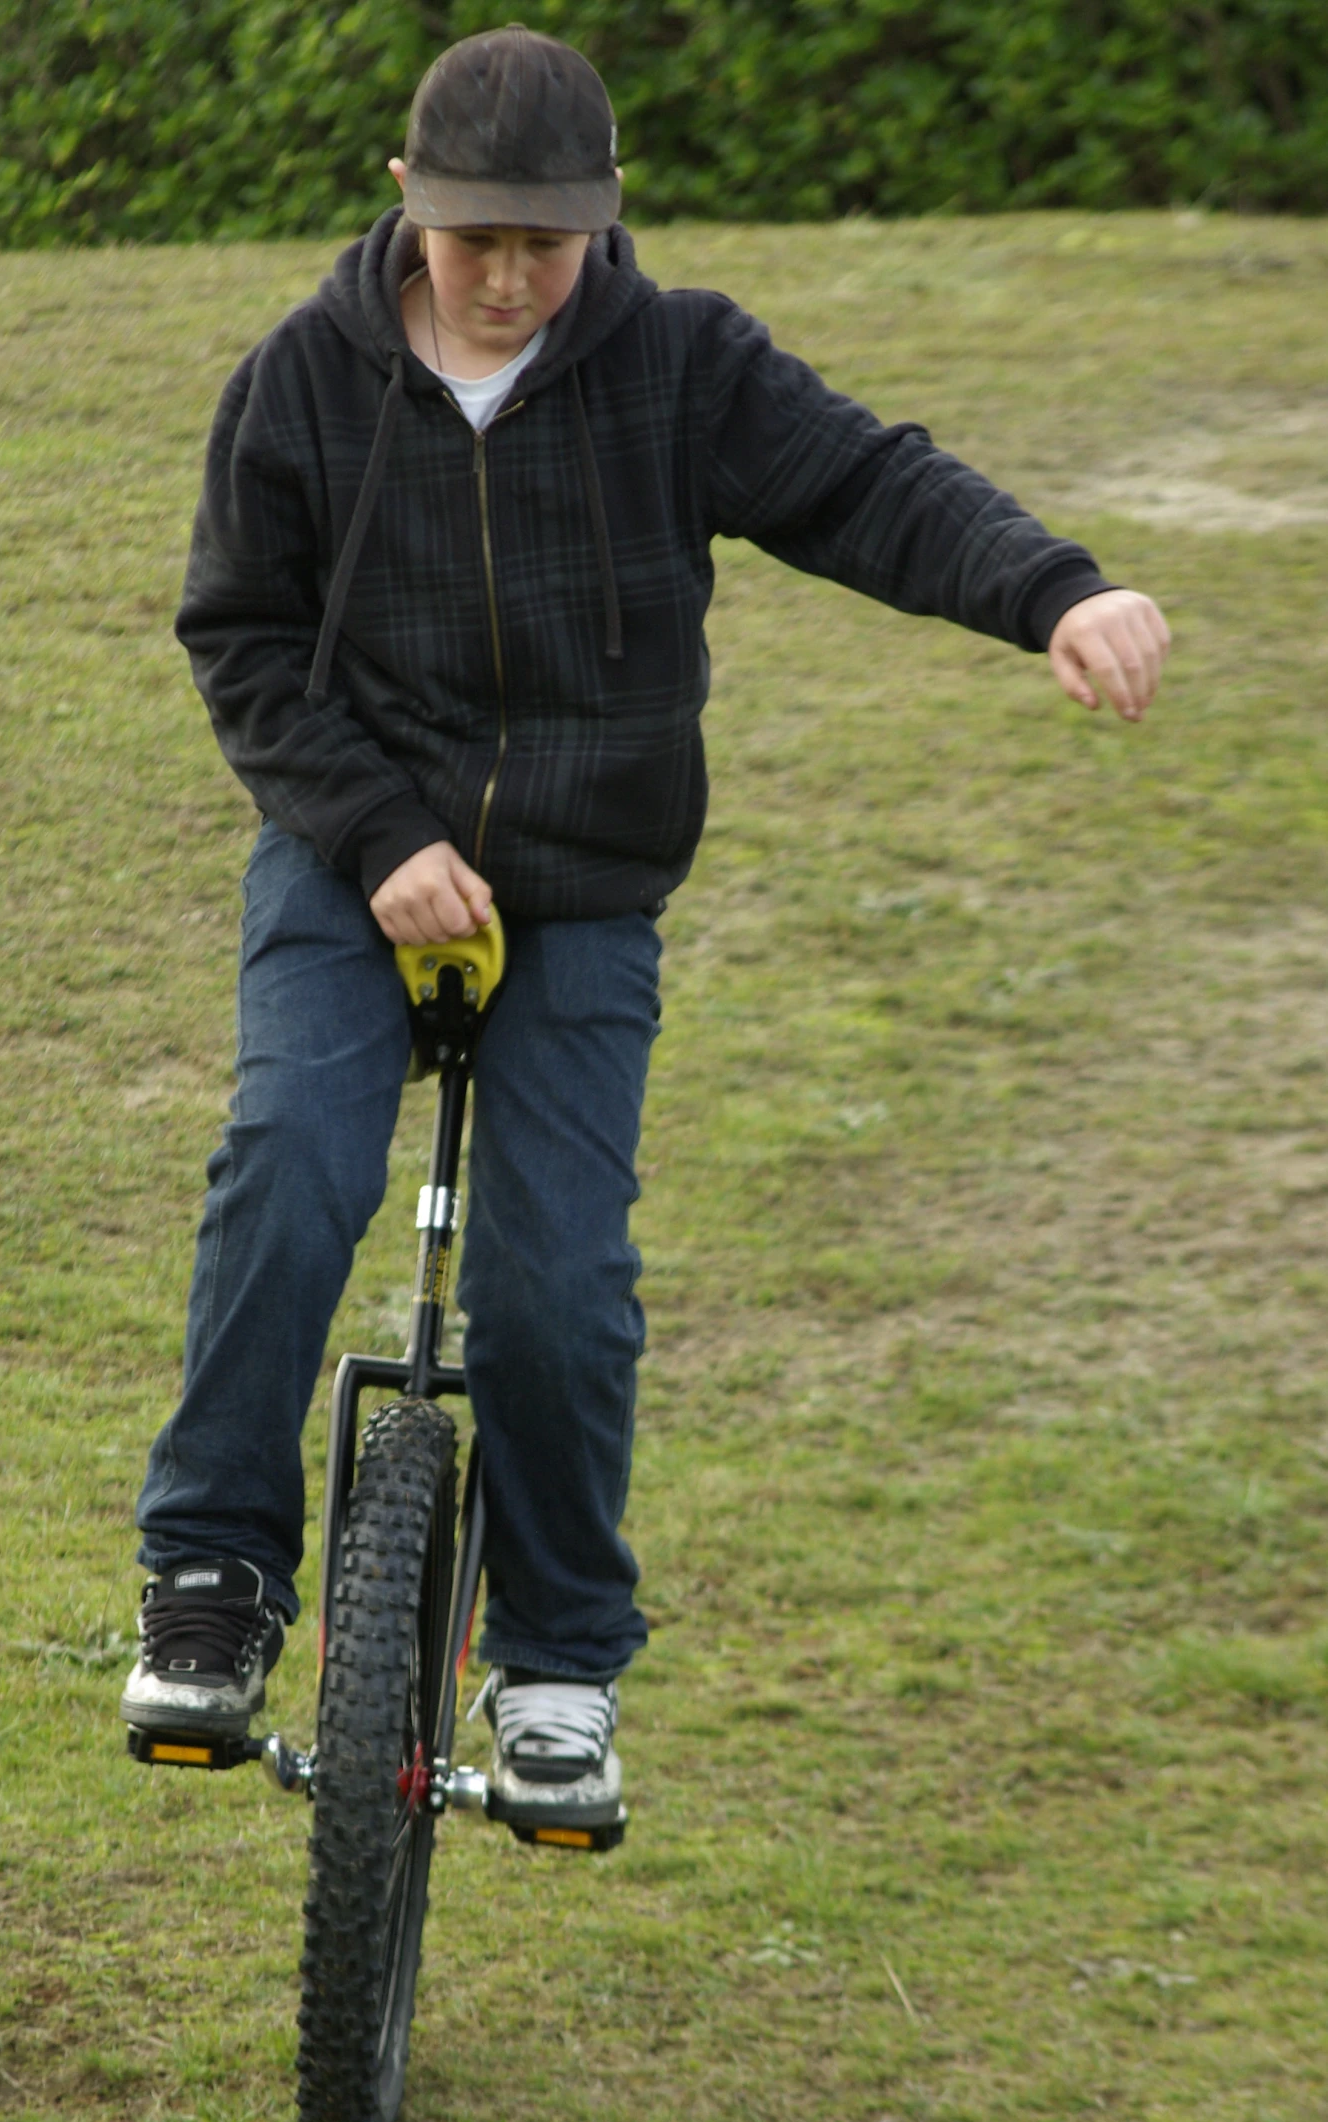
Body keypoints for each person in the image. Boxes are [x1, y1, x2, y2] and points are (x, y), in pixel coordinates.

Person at [120, 24, 1170, 1831]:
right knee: (284, 1160)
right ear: (405, 203)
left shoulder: (678, 366)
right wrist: (375, 838)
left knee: (557, 1279)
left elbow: (866, 486)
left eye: (553, 241)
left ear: (608, 220)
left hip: (585, 883)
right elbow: (240, 640)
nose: (516, 278)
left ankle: (553, 1663)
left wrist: (1053, 592)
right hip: (348, 864)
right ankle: (212, 1583)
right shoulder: (301, 380)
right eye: (477, 242)